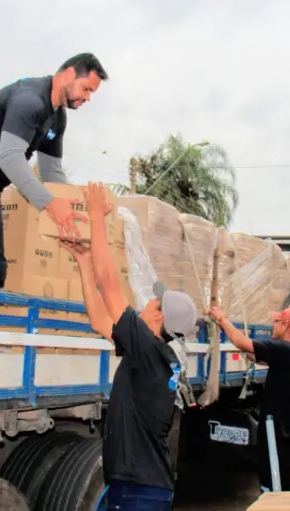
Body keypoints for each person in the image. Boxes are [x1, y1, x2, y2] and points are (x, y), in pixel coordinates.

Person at [0, 53, 108, 352]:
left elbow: (52, 172)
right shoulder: (30, 101)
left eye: (92, 93)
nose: (88, 98)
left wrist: (80, 208)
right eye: (87, 89)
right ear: (68, 74)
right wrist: (51, 205)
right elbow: (10, 157)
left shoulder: (57, 117)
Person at [60, 182, 198, 511]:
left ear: (160, 317)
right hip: (140, 485)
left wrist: (96, 215)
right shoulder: (150, 354)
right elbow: (98, 320)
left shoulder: (150, 352)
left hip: (141, 490)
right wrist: (83, 261)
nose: (148, 300)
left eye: (155, 301)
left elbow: (110, 283)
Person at [208, 306, 290, 493]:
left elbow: (241, 342)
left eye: (277, 322)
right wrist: (228, 333)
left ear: (286, 326)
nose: (273, 325)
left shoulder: (283, 348)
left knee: (275, 486)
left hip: (276, 430)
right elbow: (256, 356)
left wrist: (222, 318)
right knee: (279, 482)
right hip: (284, 430)